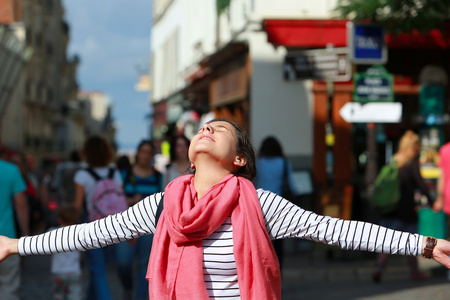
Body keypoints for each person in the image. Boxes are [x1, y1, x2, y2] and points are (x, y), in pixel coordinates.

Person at [1, 119, 450, 300]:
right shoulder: (164, 203)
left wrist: (426, 244)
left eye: (221, 128)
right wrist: (17, 245)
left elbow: (338, 230)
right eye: (203, 127)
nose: (208, 127)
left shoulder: (259, 203)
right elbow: (93, 232)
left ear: (240, 159)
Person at [372, 130, 433, 283]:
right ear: (413, 146)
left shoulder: (394, 160)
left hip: (390, 209)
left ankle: (378, 269)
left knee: (385, 241)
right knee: (411, 243)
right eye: (417, 145)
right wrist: (432, 201)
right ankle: (414, 271)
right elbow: (421, 186)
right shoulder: (411, 162)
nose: (418, 148)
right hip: (406, 210)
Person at [73, 135, 123, 300]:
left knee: (97, 271)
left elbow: (77, 206)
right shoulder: (114, 172)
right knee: (99, 269)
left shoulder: (82, 175)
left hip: (92, 226)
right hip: (113, 226)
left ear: (86, 152)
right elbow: (120, 198)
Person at [117, 140, 163, 300]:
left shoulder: (158, 176)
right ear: (138, 153)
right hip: (126, 226)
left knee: (144, 266)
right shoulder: (124, 173)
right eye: (142, 151)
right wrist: (129, 202)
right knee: (123, 263)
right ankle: (128, 287)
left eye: (148, 152)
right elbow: (114, 199)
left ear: (152, 156)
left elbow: (163, 202)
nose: (145, 155)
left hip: (148, 227)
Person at [253, 136, 298, 273]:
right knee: (278, 246)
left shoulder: (258, 162)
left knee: (259, 243)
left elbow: (253, 182)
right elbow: (292, 186)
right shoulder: (283, 162)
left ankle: (262, 275)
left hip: (259, 205)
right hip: (279, 207)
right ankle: (278, 274)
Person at [0, 153, 29, 300]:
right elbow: (21, 205)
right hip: (6, 238)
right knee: (8, 288)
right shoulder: (10, 170)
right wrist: (25, 235)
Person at [49, 204, 82, 300]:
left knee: (58, 294)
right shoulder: (79, 233)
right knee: (75, 295)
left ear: (59, 219)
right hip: (74, 271)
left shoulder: (52, 232)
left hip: (59, 272)